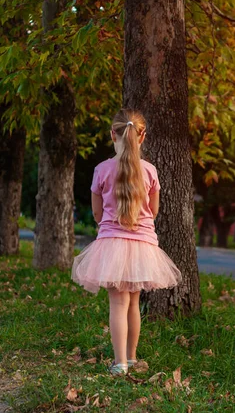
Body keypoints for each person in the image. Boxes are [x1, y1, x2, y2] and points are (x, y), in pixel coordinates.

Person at [71, 109, 182, 375]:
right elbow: (153, 212)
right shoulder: (150, 172)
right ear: (141, 136)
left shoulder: (102, 170)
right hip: (143, 247)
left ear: (113, 134)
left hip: (112, 244)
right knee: (133, 303)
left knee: (118, 305)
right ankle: (131, 357)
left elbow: (97, 214)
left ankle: (120, 363)